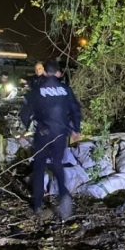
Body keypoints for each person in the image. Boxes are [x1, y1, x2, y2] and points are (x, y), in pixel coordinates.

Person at [20, 59, 82, 219]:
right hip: (61, 133)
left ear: (45, 72)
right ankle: (64, 196)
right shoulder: (66, 90)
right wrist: (76, 129)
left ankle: (37, 204)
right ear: (58, 73)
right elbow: (76, 110)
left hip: (43, 133)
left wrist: (24, 128)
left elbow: (25, 112)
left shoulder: (37, 90)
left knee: (39, 166)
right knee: (57, 164)